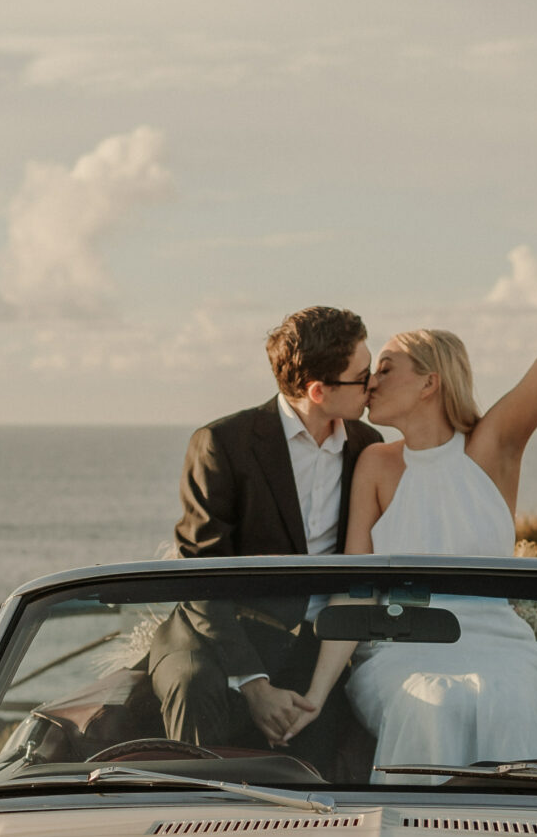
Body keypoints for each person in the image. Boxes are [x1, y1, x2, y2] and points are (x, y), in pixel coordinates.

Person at [290, 191, 537, 769]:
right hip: (400, 652)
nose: (369, 382)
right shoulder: (376, 463)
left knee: (503, 698)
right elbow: (352, 590)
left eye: (385, 368)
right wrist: (317, 693)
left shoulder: (491, 448)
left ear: (429, 382)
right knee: (430, 703)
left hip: (497, 646)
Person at [146, 304, 383, 769]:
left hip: (310, 644)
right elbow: (202, 575)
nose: (372, 383)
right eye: (363, 375)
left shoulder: (367, 447)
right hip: (215, 635)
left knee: (323, 753)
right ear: (318, 391)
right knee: (192, 686)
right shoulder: (221, 444)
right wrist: (252, 682)